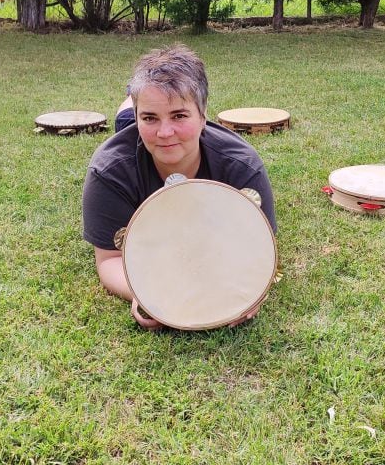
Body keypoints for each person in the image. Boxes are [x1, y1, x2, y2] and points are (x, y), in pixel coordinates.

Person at [81, 44, 277, 329]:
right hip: (130, 132)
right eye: (148, 117)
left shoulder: (241, 166)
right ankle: (131, 101)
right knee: (124, 121)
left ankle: (144, 97)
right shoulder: (109, 171)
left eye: (180, 115)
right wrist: (145, 296)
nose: (164, 132)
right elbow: (109, 259)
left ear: (204, 115)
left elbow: (261, 253)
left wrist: (251, 293)